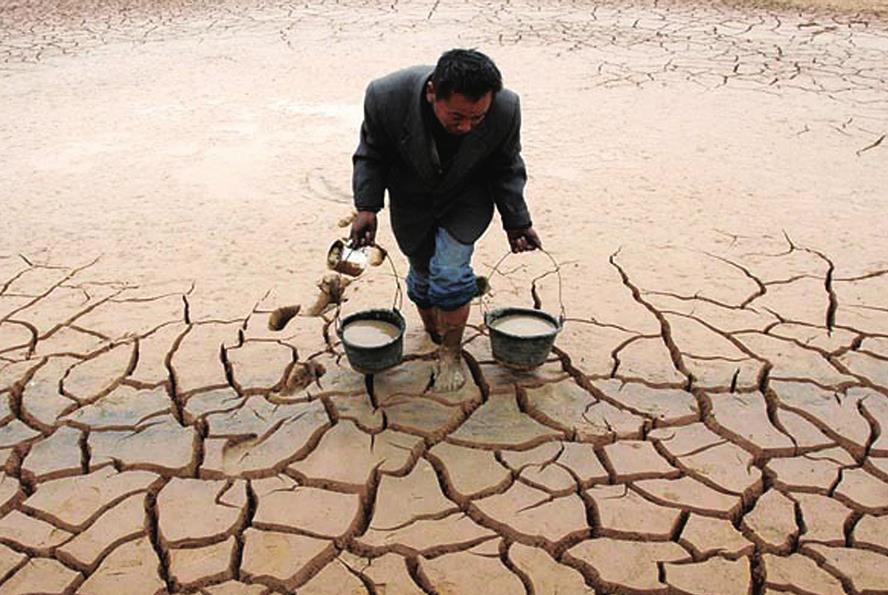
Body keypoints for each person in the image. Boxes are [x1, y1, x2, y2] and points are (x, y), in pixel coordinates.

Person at [350, 48, 541, 392]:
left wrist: (517, 222)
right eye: (457, 117)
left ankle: (450, 352)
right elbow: (371, 155)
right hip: (412, 198)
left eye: (477, 119)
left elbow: (507, 167)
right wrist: (367, 208)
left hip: (467, 197)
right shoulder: (386, 97)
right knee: (423, 279)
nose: (466, 127)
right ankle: (436, 333)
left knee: (450, 274)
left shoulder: (505, 107)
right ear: (431, 93)